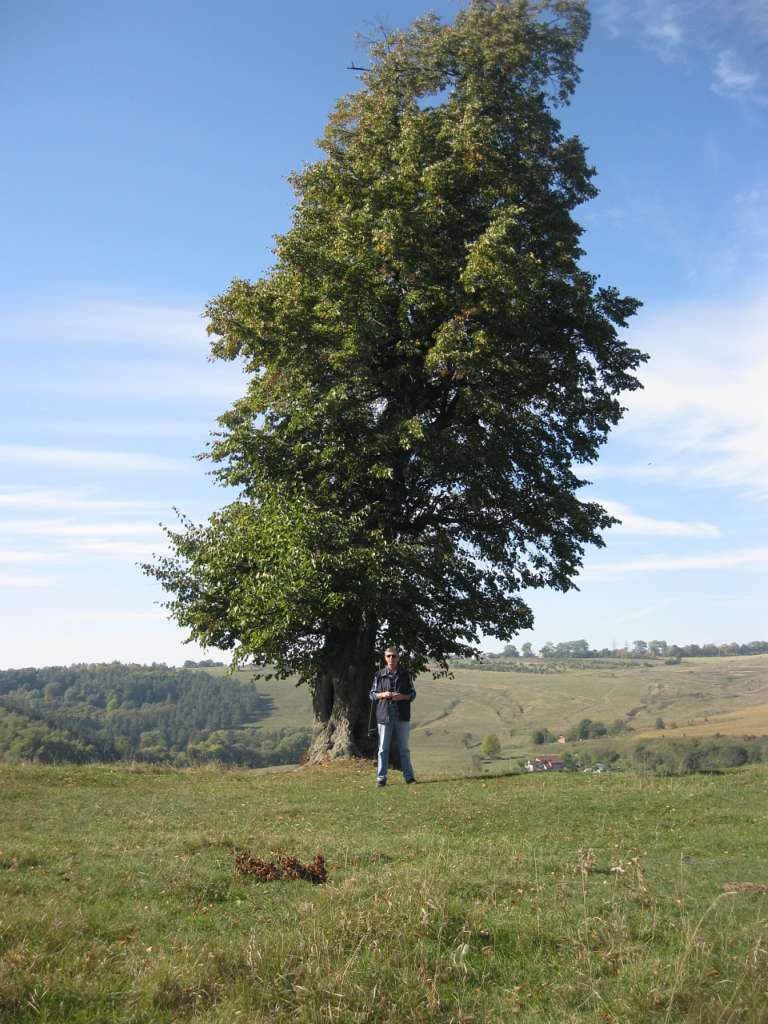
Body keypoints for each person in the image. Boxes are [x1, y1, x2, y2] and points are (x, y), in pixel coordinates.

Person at [370, 645, 416, 786]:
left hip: (402, 713)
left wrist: (402, 696)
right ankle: (381, 779)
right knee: (383, 748)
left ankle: (409, 778)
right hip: (384, 713)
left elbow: (413, 694)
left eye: (394, 656)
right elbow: (372, 695)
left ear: (398, 658)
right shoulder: (379, 675)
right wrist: (384, 694)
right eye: (388, 656)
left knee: (404, 748)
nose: (391, 658)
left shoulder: (405, 674)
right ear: (385, 658)